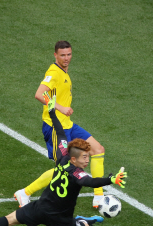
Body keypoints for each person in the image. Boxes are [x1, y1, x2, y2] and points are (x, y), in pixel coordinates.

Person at [0, 93, 126, 226]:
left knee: (9, 219)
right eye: (85, 157)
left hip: (40, 208)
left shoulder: (63, 155)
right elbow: (90, 181)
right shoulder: (77, 174)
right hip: (59, 220)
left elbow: (60, 132)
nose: (87, 160)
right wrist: (110, 180)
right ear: (74, 159)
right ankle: (81, 221)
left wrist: (51, 112)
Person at [14, 40, 107, 209]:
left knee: (97, 149)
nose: (66, 58)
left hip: (68, 125)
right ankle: (25, 193)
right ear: (55, 55)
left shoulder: (64, 71)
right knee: (63, 169)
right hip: (55, 127)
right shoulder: (54, 72)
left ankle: (99, 197)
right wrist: (60, 107)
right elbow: (39, 94)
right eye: (62, 55)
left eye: (69, 54)